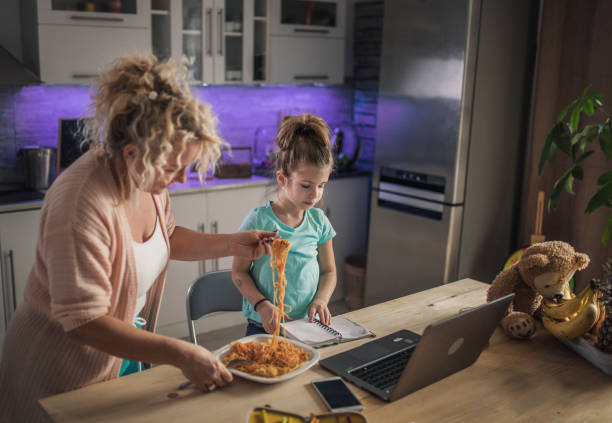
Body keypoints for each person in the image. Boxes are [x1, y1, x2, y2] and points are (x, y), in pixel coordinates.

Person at [0, 53, 277, 423]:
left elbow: (166, 237)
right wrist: (179, 353)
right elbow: (85, 320)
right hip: (58, 372)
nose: (180, 179)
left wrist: (231, 243)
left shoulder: (146, 177)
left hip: (120, 356)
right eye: (173, 167)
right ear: (132, 153)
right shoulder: (81, 201)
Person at [232, 114, 337, 336]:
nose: (315, 194)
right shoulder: (259, 221)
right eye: (306, 185)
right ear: (282, 179)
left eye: (322, 185)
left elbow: (329, 271)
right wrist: (261, 304)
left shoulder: (319, 222)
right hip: (263, 325)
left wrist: (321, 299)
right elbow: (239, 272)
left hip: (307, 325)